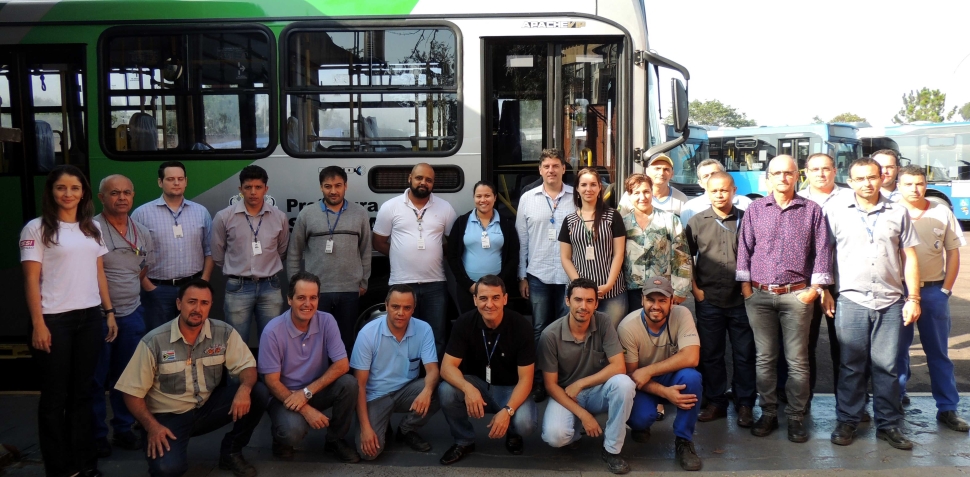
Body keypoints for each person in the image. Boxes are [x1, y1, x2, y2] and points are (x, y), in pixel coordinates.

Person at [115, 279, 269, 477]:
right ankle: (158, 444)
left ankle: (231, 451)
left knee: (258, 392)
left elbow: (247, 366)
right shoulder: (155, 341)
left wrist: (244, 388)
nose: (198, 308)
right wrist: (151, 427)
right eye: (192, 302)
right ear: (179, 304)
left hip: (206, 408)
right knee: (167, 469)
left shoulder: (223, 332)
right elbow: (131, 392)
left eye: (204, 303)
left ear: (210, 306)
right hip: (167, 416)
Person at [21, 165, 117, 477]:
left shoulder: (91, 229)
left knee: (84, 395)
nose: (68, 194)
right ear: (51, 192)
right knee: (54, 399)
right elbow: (31, 281)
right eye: (61, 188)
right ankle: (59, 469)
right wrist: (38, 323)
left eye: (74, 188)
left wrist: (109, 312)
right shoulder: (36, 229)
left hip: (89, 319)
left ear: (83, 193)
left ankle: (85, 464)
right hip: (54, 322)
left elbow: (99, 272)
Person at [826, 158, 921, 450]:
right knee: (851, 365)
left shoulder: (899, 212)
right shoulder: (835, 211)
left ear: (881, 178)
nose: (867, 183)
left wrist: (913, 298)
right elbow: (823, 255)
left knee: (888, 367)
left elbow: (910, 258)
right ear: (850, 181)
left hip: (891, 301)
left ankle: (889, 425)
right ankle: (848, 421)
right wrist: (826, 291)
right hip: (851, 299)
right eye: (860, 178)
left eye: (872, 177)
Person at [736, 155, 832, 443]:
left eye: (788, 173)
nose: (782, 178)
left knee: (797, 360)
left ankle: (796, 416)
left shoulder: (812, 210)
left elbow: (823, 251)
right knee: (765, 359)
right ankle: (768, 413)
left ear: (796, 176)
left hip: (797, 296)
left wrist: (814, 290)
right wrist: (745, 288)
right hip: (760, 295)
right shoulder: (755, 209)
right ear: (768, 178)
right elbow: (744, 248)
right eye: (776, 173)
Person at [258, 271, 360, 462]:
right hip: (284, 396)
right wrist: (306, 410)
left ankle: (335, 439)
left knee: (349, 384)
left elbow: (342, 365)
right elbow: (271, 381)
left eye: (313, 297)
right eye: (301, 297)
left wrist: (306, 393)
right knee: (292, 431)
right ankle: (281, 440)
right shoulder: (273, 331)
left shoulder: (327, 320)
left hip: (313, 390)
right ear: (289, 299)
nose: (308, 304)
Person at [895, 166, 968, 432]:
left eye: (920, 183)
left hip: (933, 291)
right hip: (898, 293)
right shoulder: (891, 211)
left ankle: (948, 408)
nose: (915, 189)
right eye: (909, 184)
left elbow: (953, 253)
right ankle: (896, 401)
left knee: (938, 354)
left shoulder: (941, 211)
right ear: (898, 185)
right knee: (896, 353)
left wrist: (945, 290)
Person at [538, 278, 636, 475]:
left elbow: (619, 366)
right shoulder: (550, 335)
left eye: (589, 301)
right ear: (567, 301)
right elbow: (550, 386)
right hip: (568, 394)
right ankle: (574, 434)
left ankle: (612, 449)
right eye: (578, 300)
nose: (584, 306)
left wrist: (582, 382)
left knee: (624, 384)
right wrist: (584, 416)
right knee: (555, 436)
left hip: (597, 389)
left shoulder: (603, 321)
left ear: (596, 303)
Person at [438, 275, 536, 465]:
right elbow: (446, 368)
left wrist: (508, 411)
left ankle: (513, 433)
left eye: (495, 298)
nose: (489, 304)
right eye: (483, 298)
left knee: (525, 424)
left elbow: (526, 380)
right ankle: (464, 440)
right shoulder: (464, 322)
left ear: (505, 299)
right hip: (478, 385)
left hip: (510, 388)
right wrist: (468, 389)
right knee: (446, 391)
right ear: (475, 300)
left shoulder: (521, 326)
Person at [685, 172, 756, 428]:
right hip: (709, 299)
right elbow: (685, 258)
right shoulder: (696, 222)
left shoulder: (748, 219)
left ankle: (745, 403)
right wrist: (695, 289)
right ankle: (716, 401)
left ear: (734, 190)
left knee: (744, 354)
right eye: (714, 191)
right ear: (707, 192)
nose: (719, 195)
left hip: (741, 300)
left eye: (724, 190)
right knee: (711, 355)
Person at [778, 153, 849, 408]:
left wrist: (827, 287)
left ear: (835, 170)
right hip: (805, 287)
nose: (821, 174)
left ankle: (848, 405)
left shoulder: (851, 198)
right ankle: (802, 401)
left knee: (843, 349)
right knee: (803, 348)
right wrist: (818, 287)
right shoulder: (797, 201)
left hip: (843, 285)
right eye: (815, 169)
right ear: (805, 173)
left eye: (826, 168)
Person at [93, 174, 155, 457]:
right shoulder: (90, 230)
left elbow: (142, 267)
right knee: (96, 378)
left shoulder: (141, 230)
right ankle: (96, 434)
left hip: (131, 313)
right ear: (101, 197)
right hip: (96, 316)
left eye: (126, 193)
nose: (121, 198)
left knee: (126, 377)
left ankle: (123, 428)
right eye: (114, 193)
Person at [373, 163, 457, 359]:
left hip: (435, 284)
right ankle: (405, 380)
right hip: (402, 283)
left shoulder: (445, 208)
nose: (423, 183)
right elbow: (378, 242)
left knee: (436, 336)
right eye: (419, 178)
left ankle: (432, 380)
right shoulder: (390, 207)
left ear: (433, 183)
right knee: (402, 335)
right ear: (409, 178)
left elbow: (453, 243)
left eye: (428, 180)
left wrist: (434, 252)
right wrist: (398, 253)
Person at [618, 277, 702, 471]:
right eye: (651, 300)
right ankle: (641, 426)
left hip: (665, 375)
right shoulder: (627, 327)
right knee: (640, 418)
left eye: (662, 300)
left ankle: (684, 440)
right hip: (642, 383)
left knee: (692, 378)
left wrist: (649, 370)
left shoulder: (682, 314)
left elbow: (692, 357)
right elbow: (632, 375)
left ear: (672, 301)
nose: (656, 306)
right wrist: (665, 393)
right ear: (642, 300)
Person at [287, 165, 372, 355]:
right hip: (316, 292)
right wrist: (296, 287)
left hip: (349, 290)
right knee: (315, 342)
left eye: (338, 185)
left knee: (346, 342)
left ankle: (345, 382)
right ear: (321, 187)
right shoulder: (306, 214)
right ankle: (318, 382)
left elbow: (366, 250)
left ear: (345, 186)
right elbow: (294, 252)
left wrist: (363, 281)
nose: (333, 191)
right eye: (328, 186)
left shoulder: (359, 214)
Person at [350, 285, 440, 461]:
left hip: (406, 391)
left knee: (439, 390)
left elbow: (432, 370)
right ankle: (377, 423)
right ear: (386, 305)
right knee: (369, 454)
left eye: (407, 308)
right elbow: (359, 384)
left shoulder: (424, 329)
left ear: (413, 308)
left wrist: (427, 392)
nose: (401, 313)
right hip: (375, 396)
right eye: (395, 306)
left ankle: (406, 429)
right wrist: (366, 428)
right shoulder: (368, 333)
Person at [515, 148, 577, 402]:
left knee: (566, 329)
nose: (551, 170)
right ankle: (539, 381)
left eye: (556, 165)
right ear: (540, 170)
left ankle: (562, 380)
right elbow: (522, 240)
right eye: (546, 166)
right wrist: (522, 276)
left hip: (568, 276)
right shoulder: (528, 198)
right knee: (539, 329)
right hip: (538, 274)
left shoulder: (576, 197)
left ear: (564, 168)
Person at [211, 165, 289, 343]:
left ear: (266, 189)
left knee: (271, 342)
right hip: (238, 287)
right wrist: (237, 268)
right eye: (248, 187)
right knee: (236, 344)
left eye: (258, 187)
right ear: (240, 189)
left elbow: (282, 250)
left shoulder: (279, 217)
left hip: (270, 286)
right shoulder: (224, 217)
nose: (253, 192)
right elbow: (217, 253)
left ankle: (268, 372)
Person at [132, 161, 213, 331]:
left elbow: (209, 250)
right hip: (158, 289)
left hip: (193, 288)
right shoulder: (142, 214)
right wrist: (149, 287)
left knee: (193, 336)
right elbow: (133, 256)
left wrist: (204, 281)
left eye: (180, 179)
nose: (176, 183)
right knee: (158, 339)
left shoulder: (201, 212)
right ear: (160, 182)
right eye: (170, 179)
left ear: (186, 181)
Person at [559, 167, 627, 325]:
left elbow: (619, 254)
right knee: (579, 337)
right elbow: (565, 257)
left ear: (599, 188)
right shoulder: (569, 220)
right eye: (583, 185)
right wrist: (580, 287)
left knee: (610, 337)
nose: (588, 189)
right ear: (577, 189)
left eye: (593, 184)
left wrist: (609, 285)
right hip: (579, 294)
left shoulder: (612, 216)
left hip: (611, 292)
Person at [620, 173, 692, 316]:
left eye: (646, 191)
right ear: (629, 196)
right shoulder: (622, 222)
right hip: (631, 290)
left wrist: (680, 290)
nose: (642, 197)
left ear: (652, 192)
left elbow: (682, 255)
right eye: (636, 193)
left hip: (662, 288)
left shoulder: (670, 220)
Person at [446, 181, 519, 314]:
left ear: (495, 197)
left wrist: (498, 283)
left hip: (497, 290)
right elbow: (452, 256)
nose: (483, 200)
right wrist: (468, 285)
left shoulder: (506, 224)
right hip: (468, 290)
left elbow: (513, 257)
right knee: (470, 326)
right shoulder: (462, 222)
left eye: (487, 196)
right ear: (474, 198)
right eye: (479, 196)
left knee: (495, 325)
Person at [679, 159, 753, 224]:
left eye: (715, 174)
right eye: (706, 176)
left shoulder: (745, 203)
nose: (711, 178)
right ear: (700, 183)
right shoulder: (690, 208)